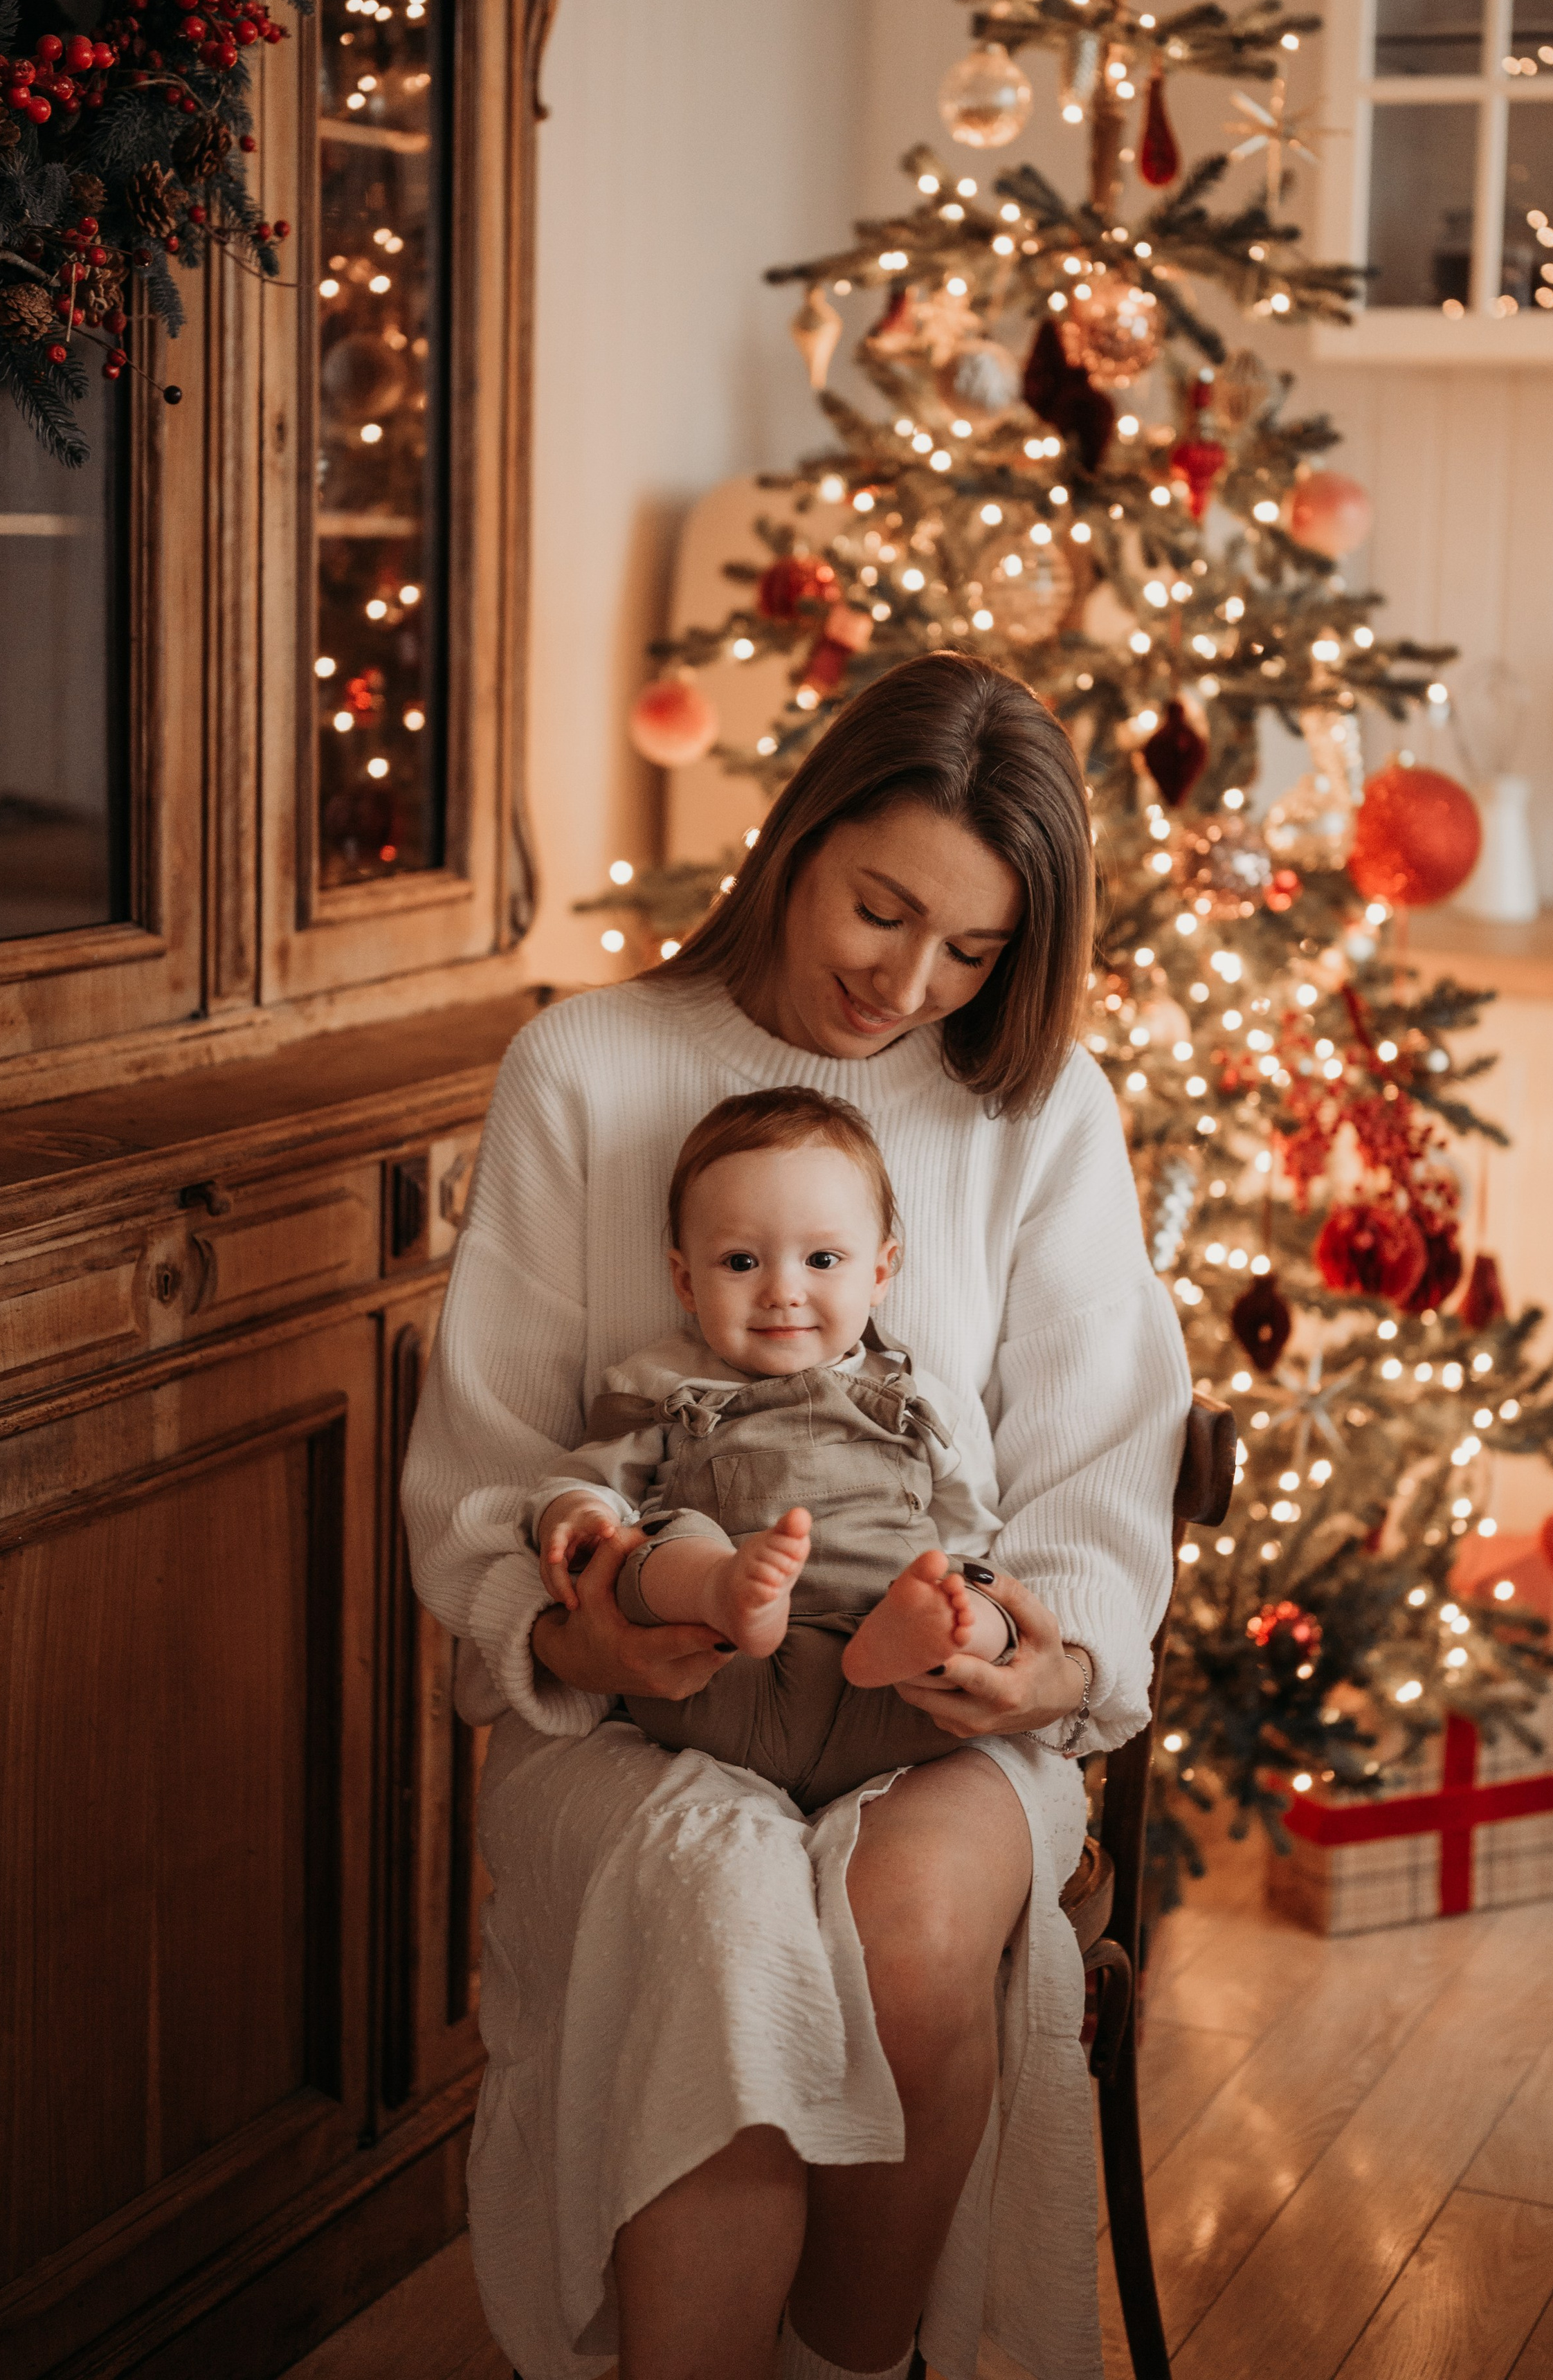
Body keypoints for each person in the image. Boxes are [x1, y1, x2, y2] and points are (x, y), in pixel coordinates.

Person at [402, 652, 1190, 2380]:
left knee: (907, 1932)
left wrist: (1034, 1665)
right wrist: (580, 1623)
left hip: (932, 1708)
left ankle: (856, 2365)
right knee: (722, 1910)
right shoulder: (586, 1062)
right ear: (797, 837)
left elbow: (1094, 1463)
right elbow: (486, 1471)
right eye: (878, 908)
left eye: (970, 950)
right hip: (639, 1709)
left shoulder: (1037, 1107)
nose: (904, 983)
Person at [529, 1086, 1017, 1813]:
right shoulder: (659, 1383)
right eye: (740, 1262)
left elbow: (973, 1520)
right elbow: (589, 1481)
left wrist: (963, 1604)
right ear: (685, 1280)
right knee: (657, 1539)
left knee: (975, 1590)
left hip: (894, 1695)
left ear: (880, 1271)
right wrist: (572, 1511)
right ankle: (721, 1587)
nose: (783, 1291)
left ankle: (911, 1631)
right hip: (713, 1677)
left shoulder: (918, 1397)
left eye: (822, 1258)